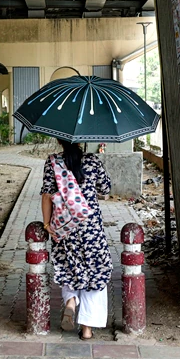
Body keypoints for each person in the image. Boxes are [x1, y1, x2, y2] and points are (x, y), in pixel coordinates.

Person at [41, 140, 112, 341]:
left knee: (69, 267)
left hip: (65, 227)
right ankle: (87, 329)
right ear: (81, 140)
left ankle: (71, 301)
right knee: (95, 272)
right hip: (91, 226)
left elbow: (46, 196)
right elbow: (105, 188)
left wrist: (47, 224)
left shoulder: (53, 162)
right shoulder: (92, 160)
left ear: (58, 140)